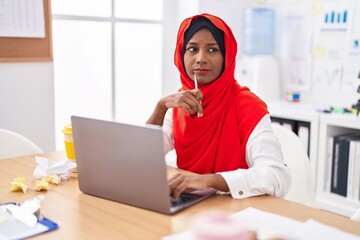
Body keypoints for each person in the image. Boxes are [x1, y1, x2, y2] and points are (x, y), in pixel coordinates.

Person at [147, 13, 291, 200]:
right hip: (190, 203)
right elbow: (143, 156)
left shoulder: (248, 106)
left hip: (237, 207)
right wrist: (161, 107)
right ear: (181, 54)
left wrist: (209, 181)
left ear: (227, 57)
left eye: (213, 50)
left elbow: (276, 176)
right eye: (192, 49)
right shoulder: (179, 103)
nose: (200, 58)